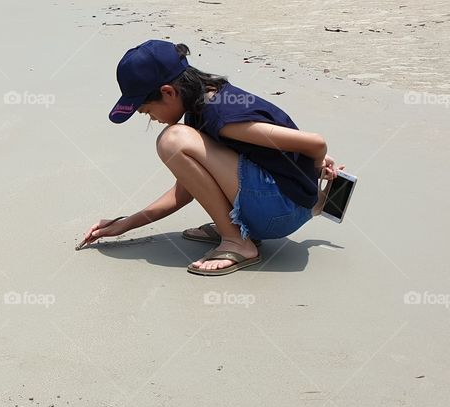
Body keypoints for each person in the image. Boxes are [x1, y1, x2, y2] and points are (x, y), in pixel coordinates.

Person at [81, 40, 344, 275]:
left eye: (146, 110)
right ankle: (235, 229)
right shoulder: (205, 102)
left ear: (168, 92)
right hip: (280, 207)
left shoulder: (220, 115)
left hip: (280, 213)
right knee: (176, 139)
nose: (151, 118)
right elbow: (183, 194)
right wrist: (125, 224)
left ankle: (237, 241)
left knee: (171, 140)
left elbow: (316, 142)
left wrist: (317, 161)